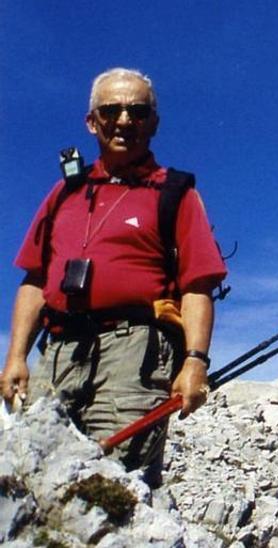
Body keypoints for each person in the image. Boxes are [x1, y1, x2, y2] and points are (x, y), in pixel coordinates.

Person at [0, 68, 227, 487]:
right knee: (35, 477)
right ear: (92, 121)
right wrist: (16, 355)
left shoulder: (175, 193)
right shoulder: (63, 193)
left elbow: (198, 285)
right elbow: (34, 279)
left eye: (138, 112)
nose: (124, 120)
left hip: (133, 356)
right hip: (58, 354)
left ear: (153, 123)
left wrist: (195, 361)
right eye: (111, 110)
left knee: (116, 483)